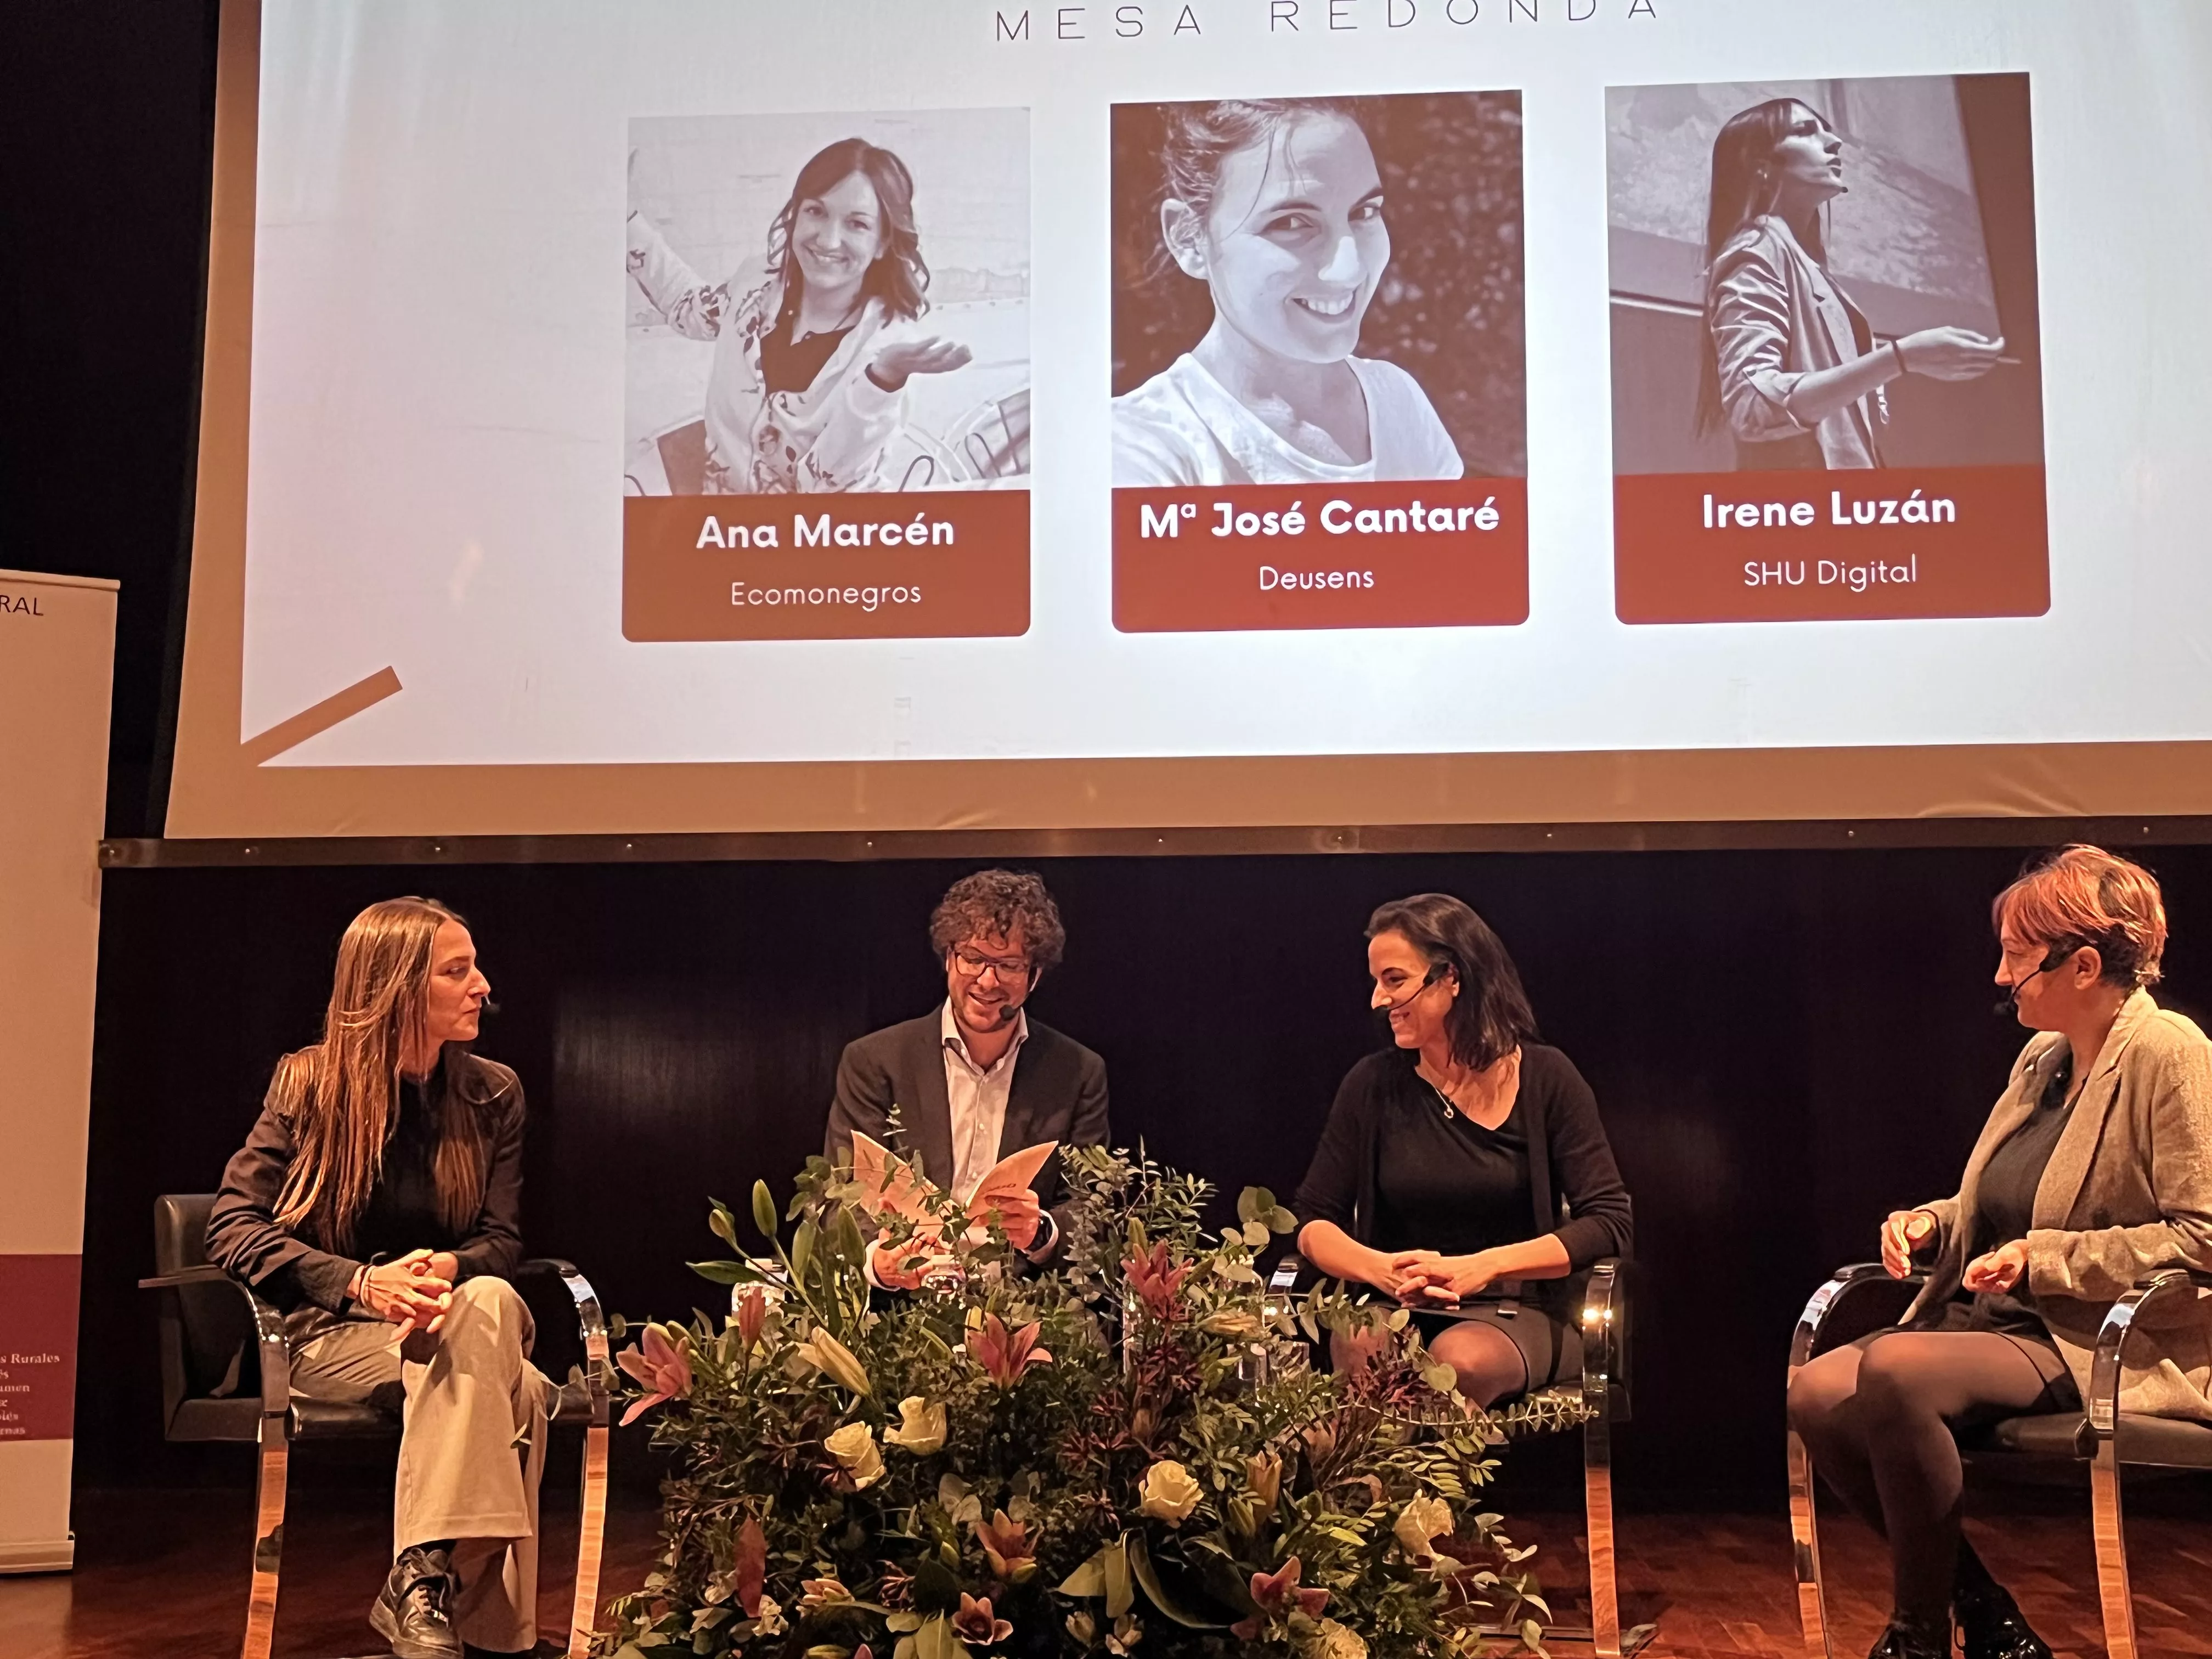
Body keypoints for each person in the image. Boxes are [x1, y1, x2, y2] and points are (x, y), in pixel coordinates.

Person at [1787, 847, 2212, 1659]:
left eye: (2018, 956)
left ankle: (1918, 1635)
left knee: (1893, 1373)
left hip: (2093, 1334)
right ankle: (1985, 1614)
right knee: (1814, 1392)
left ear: (2084, 964)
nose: (1999, 976)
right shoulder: (2043, 1061)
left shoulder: (2171, 1054)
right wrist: (1933, 1226)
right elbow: (2003, 1199)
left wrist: (2042, 1260)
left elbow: (2201, 1235)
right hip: (1998, 1320)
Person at [207, 899, 544, 1659]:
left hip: (455, 1322)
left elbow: (501, 1242)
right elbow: (231, 1227)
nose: (482, 986)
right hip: (328, 1337)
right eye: (457, 972)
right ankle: (484, 1627)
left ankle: (422, 1585)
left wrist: (445, 1268)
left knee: (483, 1302)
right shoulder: (308, 1085)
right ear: (396, 989)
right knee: (521, 1390)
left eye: (475, 967)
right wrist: (364, 1285)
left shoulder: (493, 1094)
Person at [1294, 893, 1633, 1406]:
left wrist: (1484, 1266)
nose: (1378, 1000)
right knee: (1362, 1342)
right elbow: (1312, 1219)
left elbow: (1609, 1222)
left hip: (1517, 1312)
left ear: (1451, 977)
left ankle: (1440, 1489)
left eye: (1395, 980)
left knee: (1457, 1363)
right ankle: (1376, 1487)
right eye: (1376, 982)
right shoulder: (1371, 1084)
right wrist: (1377, 1268)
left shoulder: (1547, 1079)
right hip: (1395, 1306)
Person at [1112, 99, 1462, 487]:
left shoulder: (1396, 399)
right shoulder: (1141, 447)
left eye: (1364, 212)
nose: (1350, 269)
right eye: (1292, 223)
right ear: (1189, 240)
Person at [628, 136, 974, 493]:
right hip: (724, 527)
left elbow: (826, 488)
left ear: (883, 242)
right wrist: (626, 221)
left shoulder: (886, 345)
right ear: (796, 215)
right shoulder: (755, 283)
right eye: (816, 212)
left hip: (823, 536)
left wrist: (882, 381)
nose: (827, 240)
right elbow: (688, 307)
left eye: (857, 224)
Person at [1697, 96, 2005, 470]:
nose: (1834, 141)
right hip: (1800, 515)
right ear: (1761, 167)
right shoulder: (1756, 252)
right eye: (1805, 131)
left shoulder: (1802, 261)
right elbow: (1753, 406)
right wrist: (1901, 358)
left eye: (1826, 128)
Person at [825, 870, 1109, 1271]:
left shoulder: (1077, 1072)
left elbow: (1093, 1210)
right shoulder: (875, 1061)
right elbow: (839, 1197)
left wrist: (1040, 1230)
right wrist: (880, 1262)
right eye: (973, 959)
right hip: (905, 1311)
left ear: (1035, 974)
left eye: (1008, 964)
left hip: (1022, 1313)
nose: (987, 981)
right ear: (949, 959)